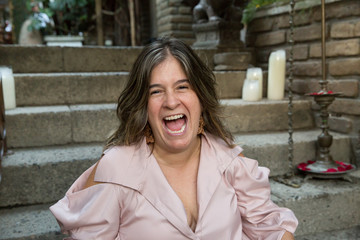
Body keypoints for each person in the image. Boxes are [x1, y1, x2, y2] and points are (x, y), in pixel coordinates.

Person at [50, 37, 298, 239]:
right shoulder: (116, 171)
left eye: (182, 87)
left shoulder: (229, 161)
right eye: (156, 91)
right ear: (142, 106)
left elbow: (271, 227)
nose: (171, 102)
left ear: (200, 96)